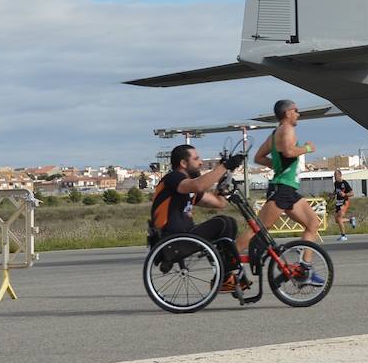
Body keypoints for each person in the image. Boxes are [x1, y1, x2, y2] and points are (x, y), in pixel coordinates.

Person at [241, 99, 325, 285]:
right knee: (260, 229)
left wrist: (277, 166)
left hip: (288, 188)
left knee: (312, 223)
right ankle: (228, 256)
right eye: (296, 110)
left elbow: (258, 157)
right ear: (287, 113)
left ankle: (304, 269)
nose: (298, 114)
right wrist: (308, 148)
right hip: (282, 188)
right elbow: (288, 152)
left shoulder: (275, 133)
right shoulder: (287, 130)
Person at [150, 144, 245, 291]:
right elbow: (199, 185)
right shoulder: (173, 178)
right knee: (223, 223)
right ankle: (225, 276)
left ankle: (225, 275)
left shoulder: (189, 189)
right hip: (172, 241)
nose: (200, 162)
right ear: (183, 163)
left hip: (186, 237)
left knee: (228, 222)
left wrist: (222, 184)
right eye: (196, 159)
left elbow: (220, 203)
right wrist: (223, 166)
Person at [332, 168, 356, 241]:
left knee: (339, 219)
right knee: (337, 220)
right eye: (334, 175)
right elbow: (336, 191)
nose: (335, 177)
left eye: (336, 175)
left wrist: (345, 194)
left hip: (344, 202)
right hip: (338, 202)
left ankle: (344, 236)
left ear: (340, 175)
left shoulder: (344, 183)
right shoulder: (335, 183)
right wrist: (332, 195)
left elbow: (352, 193)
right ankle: (350, 220)